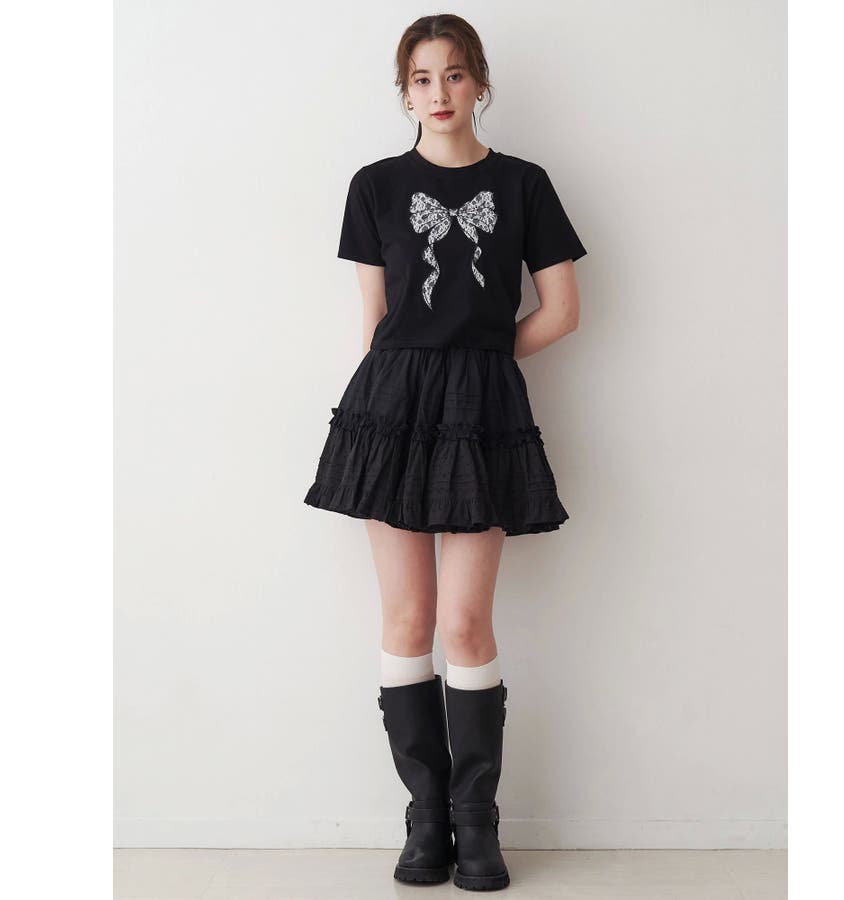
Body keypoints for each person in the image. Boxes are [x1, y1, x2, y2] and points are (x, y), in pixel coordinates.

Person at [303, 13, 587, 892]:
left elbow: (562, 310)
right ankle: (425, 821)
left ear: (480, 83)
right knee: (407, 621)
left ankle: (477, 822)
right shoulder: (376, 186)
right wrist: (392, 399)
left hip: (481, 408)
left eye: (455, 75)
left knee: (464, 623)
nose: (439, 93)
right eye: (422, 79)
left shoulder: (525, 183)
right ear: (405, 93)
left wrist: (484, 360)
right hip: (391, 408)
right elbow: (376, 322)